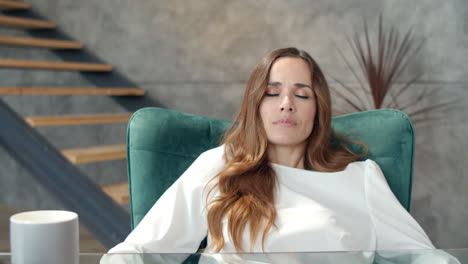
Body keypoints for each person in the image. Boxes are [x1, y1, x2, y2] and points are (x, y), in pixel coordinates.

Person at [103, 47, 459, 263]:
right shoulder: (219, 166)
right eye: (273, 93)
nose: (287, 104)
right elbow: (144, 249)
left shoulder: (360, 178)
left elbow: (420, 255)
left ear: (318, 110)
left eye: (302, 95)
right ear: (255, 106)